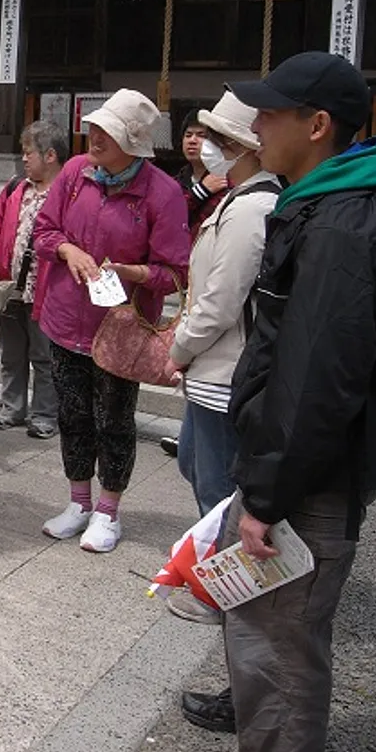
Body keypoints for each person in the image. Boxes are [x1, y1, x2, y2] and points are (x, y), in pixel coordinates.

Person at [179, 52, 376, 751]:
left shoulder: (342, 228)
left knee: (282, 649)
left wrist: (266, 495)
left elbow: (315, 381)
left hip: (310, 477)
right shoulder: (318, 205)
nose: (255, 124)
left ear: (318, 126)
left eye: (271, 113)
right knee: (268, 637)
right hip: (299, 465)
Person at [33, 89, 190, 554]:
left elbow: (176, 271)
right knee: (72, 415)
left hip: (120, 328)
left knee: (115, 420)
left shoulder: (162, 192)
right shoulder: (75, 173)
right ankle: (78, 502)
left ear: (134, 142)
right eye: (95, 127)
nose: (94, 136)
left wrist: (131, 272)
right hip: (66, 318)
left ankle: (108, 510)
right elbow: (45, 229)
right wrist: (69, 250)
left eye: (108, 131)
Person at [161, 93, 282, 625]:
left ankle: (227, 593)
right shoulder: (236, 201)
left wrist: (179, 347)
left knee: (217, 486)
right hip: (214, 366)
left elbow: (218, 304)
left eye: (223, 142)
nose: (209, 148)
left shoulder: (251, 210)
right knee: (195, 462)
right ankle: (225, 579)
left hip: (223, 367)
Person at [0, 119, 67, 440]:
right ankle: (12, 407)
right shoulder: (16, 187)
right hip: (11, 286)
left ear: (51, 156)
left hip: (48, 290)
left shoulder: (68, 193)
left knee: (44, 356)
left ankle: (45, 414)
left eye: (29, 153)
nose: (25, 159)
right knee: (12, 352)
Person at [176, 109, 228, 243]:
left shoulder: (225, 180)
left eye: (201, 135)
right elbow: (167, 217)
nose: (192, 140)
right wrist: (200, 192)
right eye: (188, 135)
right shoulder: (174, 183)